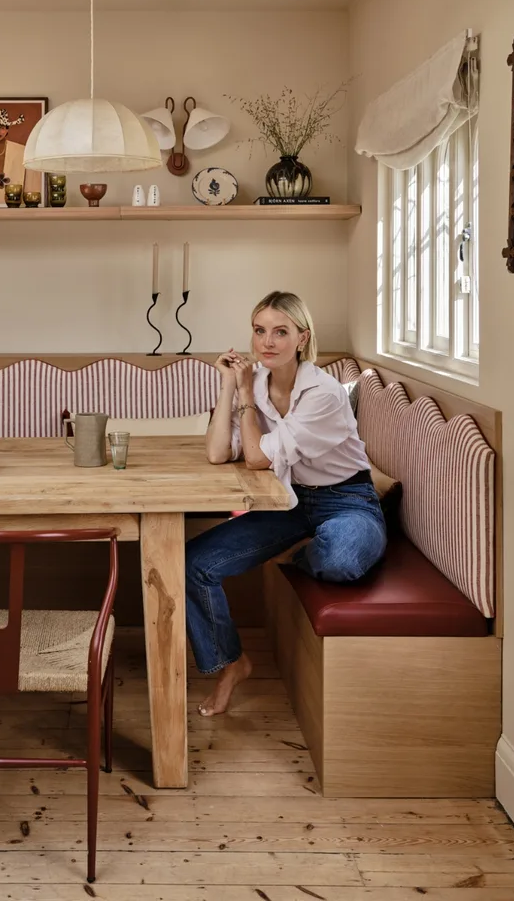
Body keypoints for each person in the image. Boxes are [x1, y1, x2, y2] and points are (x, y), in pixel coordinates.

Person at [186, 291, 386, 717]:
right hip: (288, 500)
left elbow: (256, 457)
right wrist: (229, 385)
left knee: (341, 558)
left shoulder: (323, 394)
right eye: (260, 331)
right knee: (193, 562)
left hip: (347, 498)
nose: (267, 342)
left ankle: (300, 556)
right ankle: (231, 664)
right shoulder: (253, 383)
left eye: (281, 332)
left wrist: (245, 396)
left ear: (302, 338)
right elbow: (219, 453)